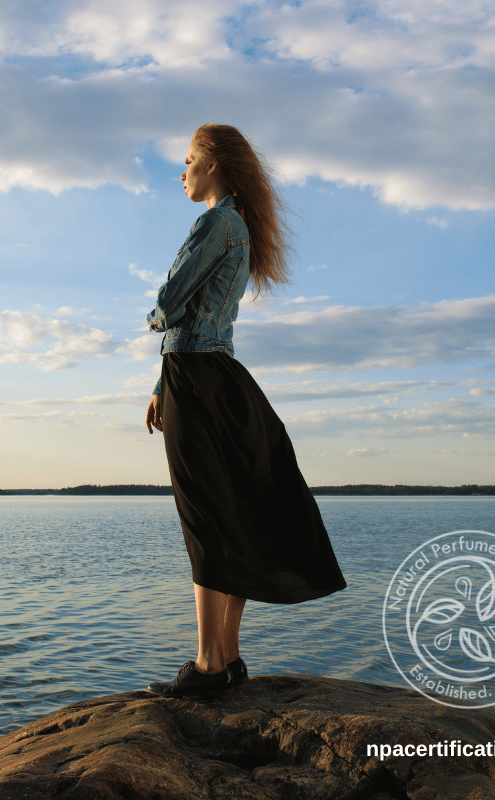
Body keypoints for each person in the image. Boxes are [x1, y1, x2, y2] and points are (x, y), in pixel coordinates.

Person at [144, 124, 346, 697]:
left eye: (187, 161)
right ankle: (228, 659)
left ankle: (209, 665)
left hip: (198, 378)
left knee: (206, 520)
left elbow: (169, 305)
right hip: (217, 376)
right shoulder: (240, 227)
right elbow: (204, 323)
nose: (181, 172)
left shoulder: (214, 223)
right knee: (228, 517)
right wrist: (163, 381)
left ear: (212, 166)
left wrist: (155, 321)